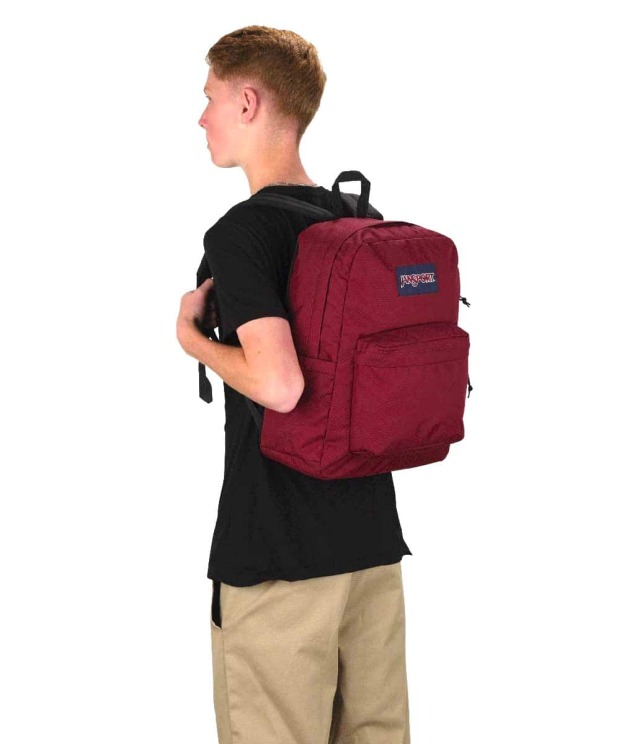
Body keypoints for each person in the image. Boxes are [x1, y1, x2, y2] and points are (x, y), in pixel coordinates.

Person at [176, 25, 412, 744]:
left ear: (248, 102)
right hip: (370, 547)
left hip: (276, 555)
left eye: (210, 98)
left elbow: (280, 386)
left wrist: (193, 340)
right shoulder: (358, 219)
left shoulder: (243, 233)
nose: (202, 117)